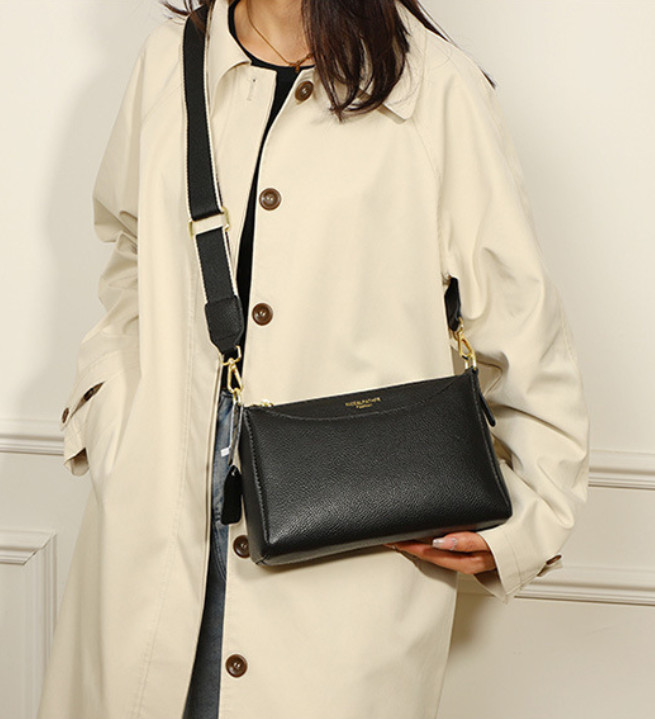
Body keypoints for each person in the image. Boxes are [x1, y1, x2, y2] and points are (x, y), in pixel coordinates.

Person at [38, 1, 590, 718]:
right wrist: (113, 409)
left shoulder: (436, 88)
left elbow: (521, 323)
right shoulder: (169, 60)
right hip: (152, 533)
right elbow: (129, 246)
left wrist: (525, 524)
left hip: (344, 570)